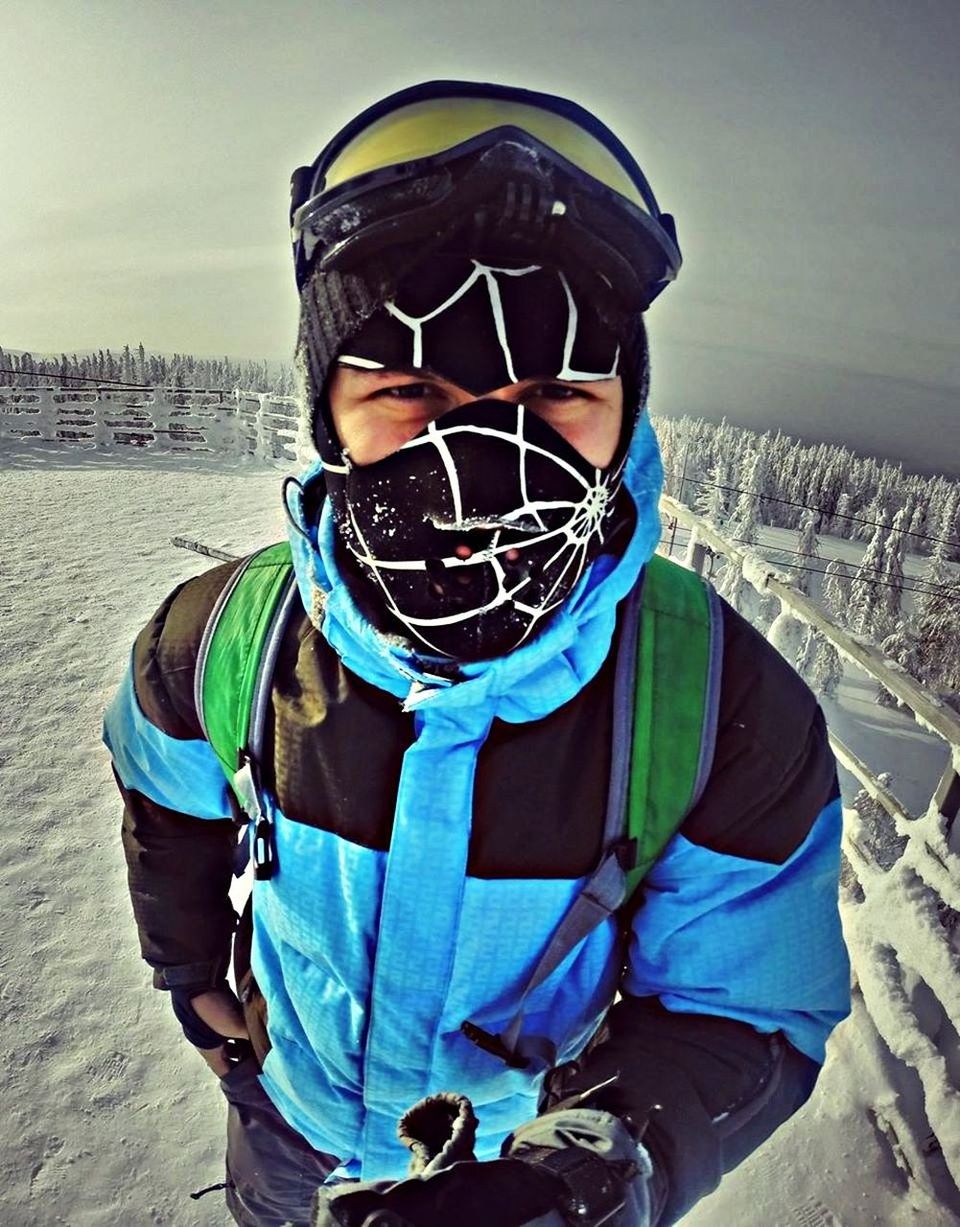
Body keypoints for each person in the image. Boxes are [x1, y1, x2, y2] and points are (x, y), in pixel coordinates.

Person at [104, 80, 850, 1227]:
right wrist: (197, 989)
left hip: (517, 1163)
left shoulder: (718, 704)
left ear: (622, 410)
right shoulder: (217, 642)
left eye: (552, 389)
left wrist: (596, 1168)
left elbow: (747, 1006)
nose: (483, 453)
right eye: (410, 387)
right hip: (287, 1122)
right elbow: (171, 816)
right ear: (327, 409)